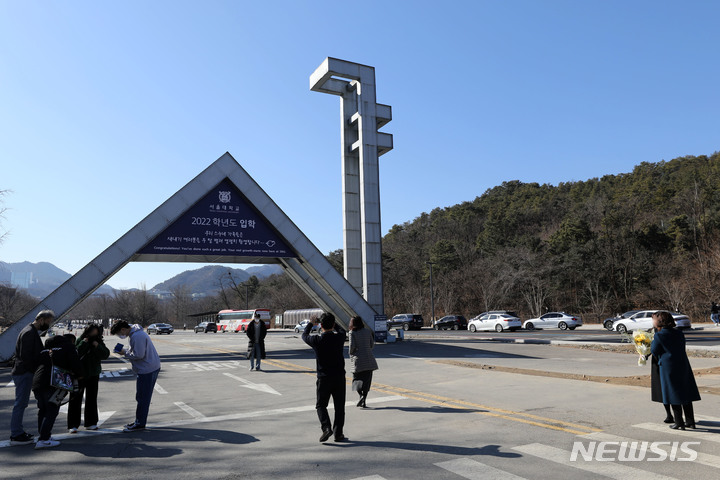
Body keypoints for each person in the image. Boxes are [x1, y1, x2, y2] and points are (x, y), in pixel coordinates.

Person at [9, 310, 55, 446]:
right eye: (48, 322)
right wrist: (39, 365)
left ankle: (18, 431)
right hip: (24, 373)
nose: (49, 325)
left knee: (21, 403)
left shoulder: (29, 330)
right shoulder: (29, 333)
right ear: (41, 319)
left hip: (24, 372)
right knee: (20, 404)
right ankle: (16, 434)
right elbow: (26, 356)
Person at [650, 311, 701, 430]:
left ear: (660, 321)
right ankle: (690, 421)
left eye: (654, 319)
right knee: (685, 392)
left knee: (673, 393)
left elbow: (654, 350)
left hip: (668, 367)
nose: (653, 321)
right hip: (682, 364)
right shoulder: (679, 333)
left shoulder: (660, 335)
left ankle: (679, 422)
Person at [302, 312, 347, 442]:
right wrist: (332, 322)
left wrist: (311, 323)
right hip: (339, 377)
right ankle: (338, 434)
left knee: (321, 405)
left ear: (321, 325)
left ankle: (326, 428)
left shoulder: (317, 340)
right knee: (339, 407)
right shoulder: (339, 338)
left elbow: (304, 336)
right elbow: (341, 330)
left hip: (324, 377)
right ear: (333, 324)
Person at [32, 334, 83, 449]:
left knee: (43, 410)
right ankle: (44, 439)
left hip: (37, 383)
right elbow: (75, 364)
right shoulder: (68, 347)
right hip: (54, 383)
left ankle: (44, 436)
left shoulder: (43, 350)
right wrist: (79, 376)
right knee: (52, 410)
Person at [110, 320, 161, 432]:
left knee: (142, 397)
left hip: (147, 369)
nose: (120, 336)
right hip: (149, 367)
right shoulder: (136, 333)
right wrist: (127, 351)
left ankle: (140, 423)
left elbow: (138, 354)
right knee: (142, 397)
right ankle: (139, 421)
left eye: (119, 333)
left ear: (123, 329)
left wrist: (124, 353)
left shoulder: (136, 336)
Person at [68, 324, 110, 433]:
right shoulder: (80, 340)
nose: (93, 335)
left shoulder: (99, 342)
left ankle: (91, 423)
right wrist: (84, 343)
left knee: (91, 399)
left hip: (93, 374)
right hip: (79, 374)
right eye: (91, 332)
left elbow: (105, 355)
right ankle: (73, 425)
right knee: (75, 399)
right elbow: (75, 353)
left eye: (95, 333)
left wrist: (97, 346)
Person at [348, 316, 378, 408]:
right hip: (369, 360)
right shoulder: (367, 331)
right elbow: (371, 345)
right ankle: (364, 401)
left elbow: (351, 347)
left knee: (356, 380)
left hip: (358, 360)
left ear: (354, 323)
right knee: (366, 382)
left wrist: (351, 353)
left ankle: (361, 396)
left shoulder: (352, 333)